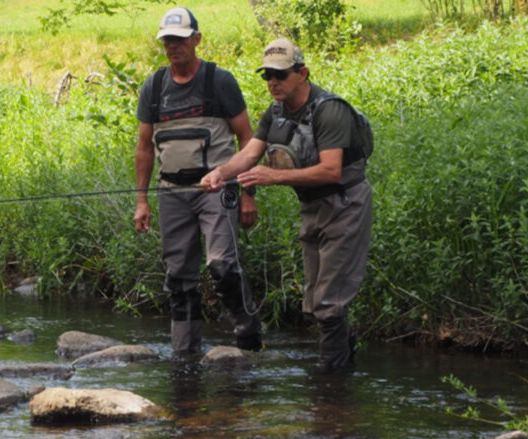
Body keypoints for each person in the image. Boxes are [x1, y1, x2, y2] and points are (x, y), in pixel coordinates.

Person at [200, 38, 373, 373]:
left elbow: (331, 170)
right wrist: (220, 173)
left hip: (345, 206)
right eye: (267, 76)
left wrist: (273, 177)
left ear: (302, 73)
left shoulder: (330, 110)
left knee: (328, 304)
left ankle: (331, 383)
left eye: (280, 74)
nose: (273, 82)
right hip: (313, 207)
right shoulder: (275, 112)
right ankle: (344, 364)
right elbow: (250, 154)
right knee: (312, 304)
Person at [134, 7, 263, 356]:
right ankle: (185, 355)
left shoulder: (219, 81)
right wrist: (142, 200)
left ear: (196, 39)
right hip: (171, 193)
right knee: (178, 276)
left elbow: (248, 140)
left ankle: (248, 335)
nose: (172, 46)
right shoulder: (154, 86)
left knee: (221, 266)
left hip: (217, 191)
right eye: (167, 41)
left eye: (179, 39)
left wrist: (248, 193)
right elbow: (144, 148)